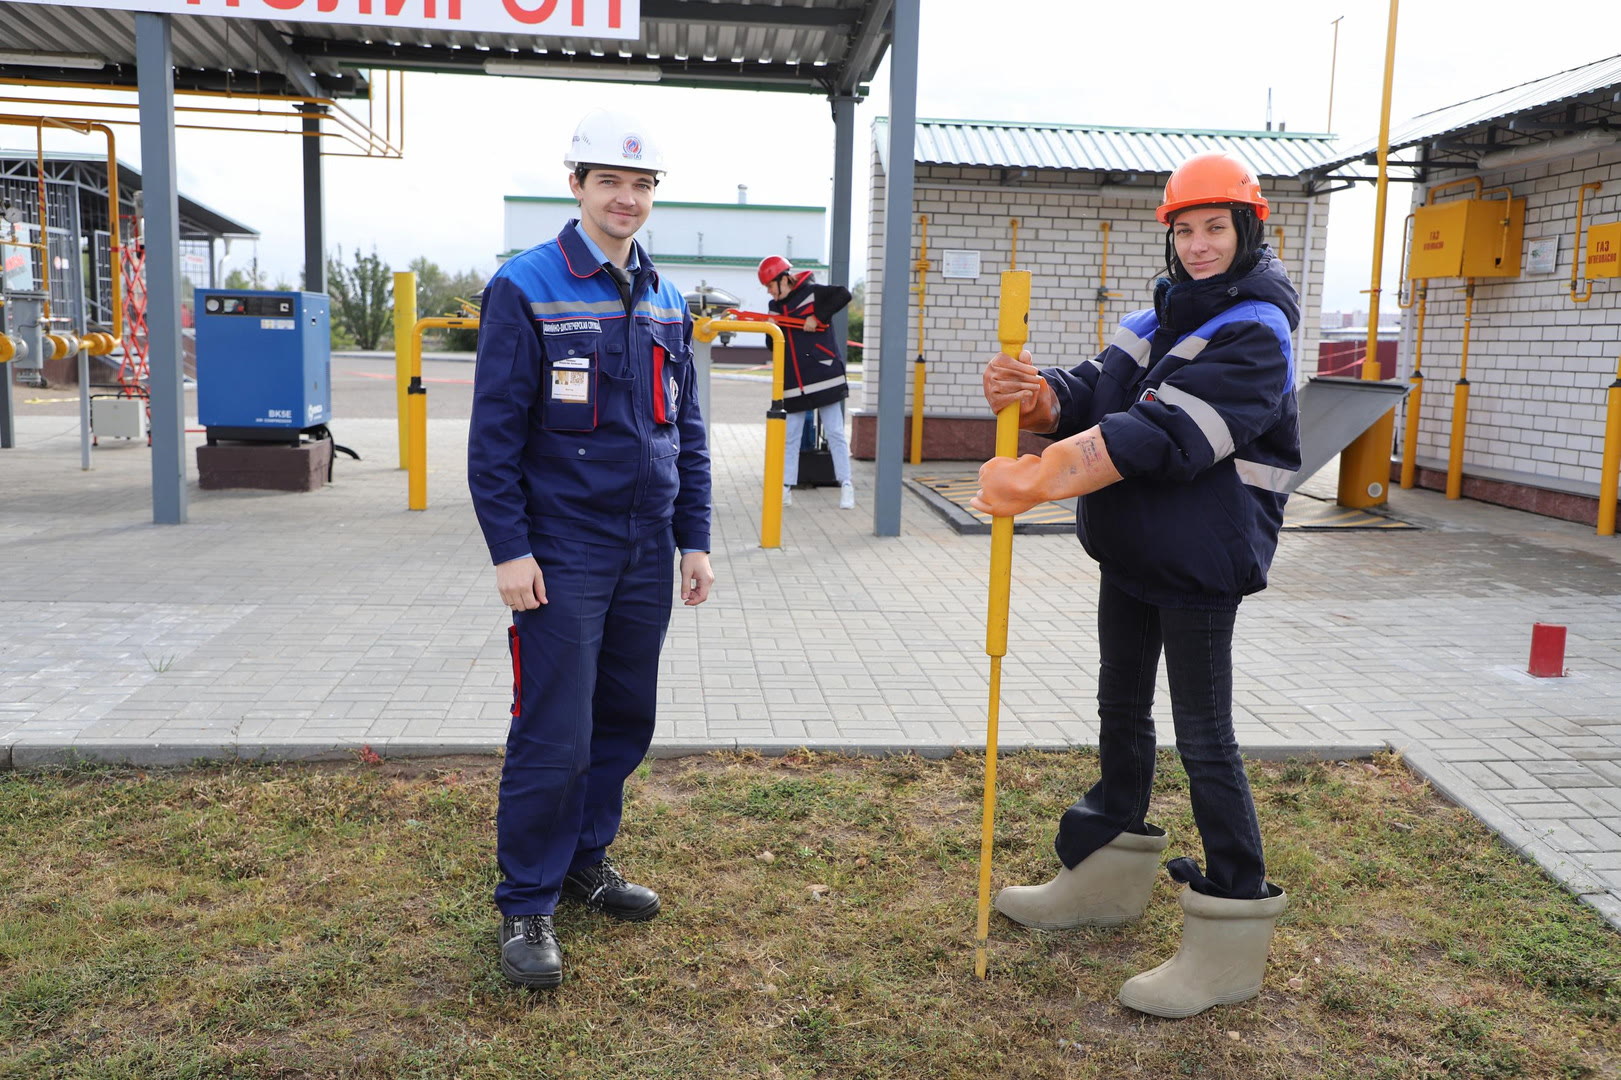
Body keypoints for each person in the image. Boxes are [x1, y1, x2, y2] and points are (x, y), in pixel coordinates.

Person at [972, 152, 1299, 1019]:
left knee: (1203, 740)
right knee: (1119, 708)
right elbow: (1096, 391)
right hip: (1134, 554)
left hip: (1200, 563)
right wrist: (1038, 397)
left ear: (1247, 231)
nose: (1196, 245)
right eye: (1184, 229)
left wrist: (1040, 475)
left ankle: (1229, 929)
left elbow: (1160, 434)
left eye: (1214, 228)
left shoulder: (1256, 333)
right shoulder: (1155, 316)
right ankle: (1104, 878)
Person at [467, 109, 714, 990]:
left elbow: (686, 428)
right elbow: (493, 435)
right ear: (575, 184)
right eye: (610, 182)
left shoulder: (667, 295)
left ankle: (584, 861)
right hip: (561, 550)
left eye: (642, 186)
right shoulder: (526, 286)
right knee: (553, 732)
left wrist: (695, 538)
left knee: (621, 719)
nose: (627, 199)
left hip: (647, 546)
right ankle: (527, 900)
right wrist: (509, 549)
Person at [757, 255, 856, 510]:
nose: (769, 291)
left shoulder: (813, 293)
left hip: (824, 377)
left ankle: (846, 485)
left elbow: (843, 294)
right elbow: (771, 345)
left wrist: (818, 316)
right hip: (794, 383)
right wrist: (770, 327)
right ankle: (785, 488)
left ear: (784, 279)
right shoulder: (775, 307)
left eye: (770, 284)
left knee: (835, 432)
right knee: (790, 437)